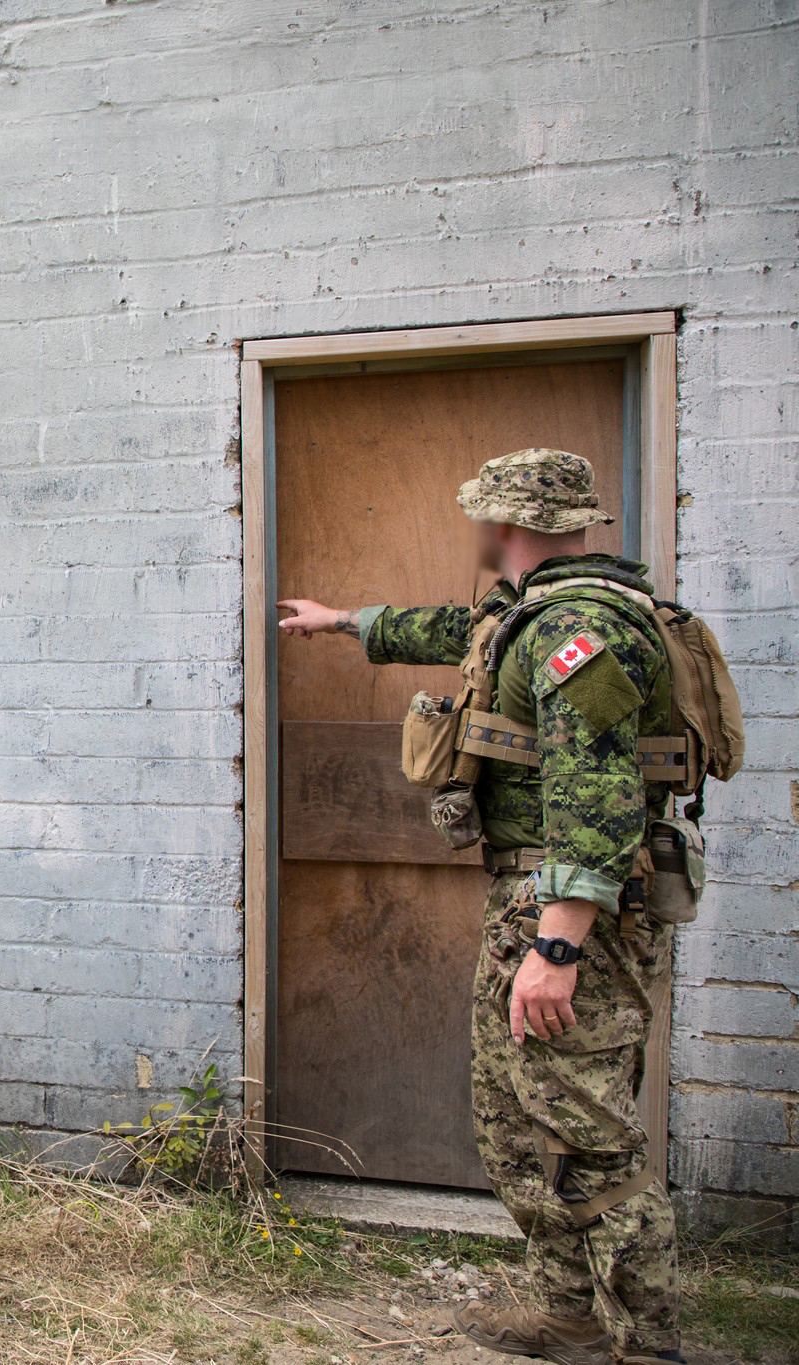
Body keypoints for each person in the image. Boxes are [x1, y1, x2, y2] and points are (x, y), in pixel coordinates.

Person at [278, 450, 685, 1365]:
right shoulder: (526, 613)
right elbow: (457, 631)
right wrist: (344, 622)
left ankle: (646, 1344)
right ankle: (570, 1317)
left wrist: (560, 946)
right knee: (511, 1123)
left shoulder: (578, 629)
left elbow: (599, 792)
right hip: (526, 906)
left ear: (503, 525)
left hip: (566, 911)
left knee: (589, 1133)